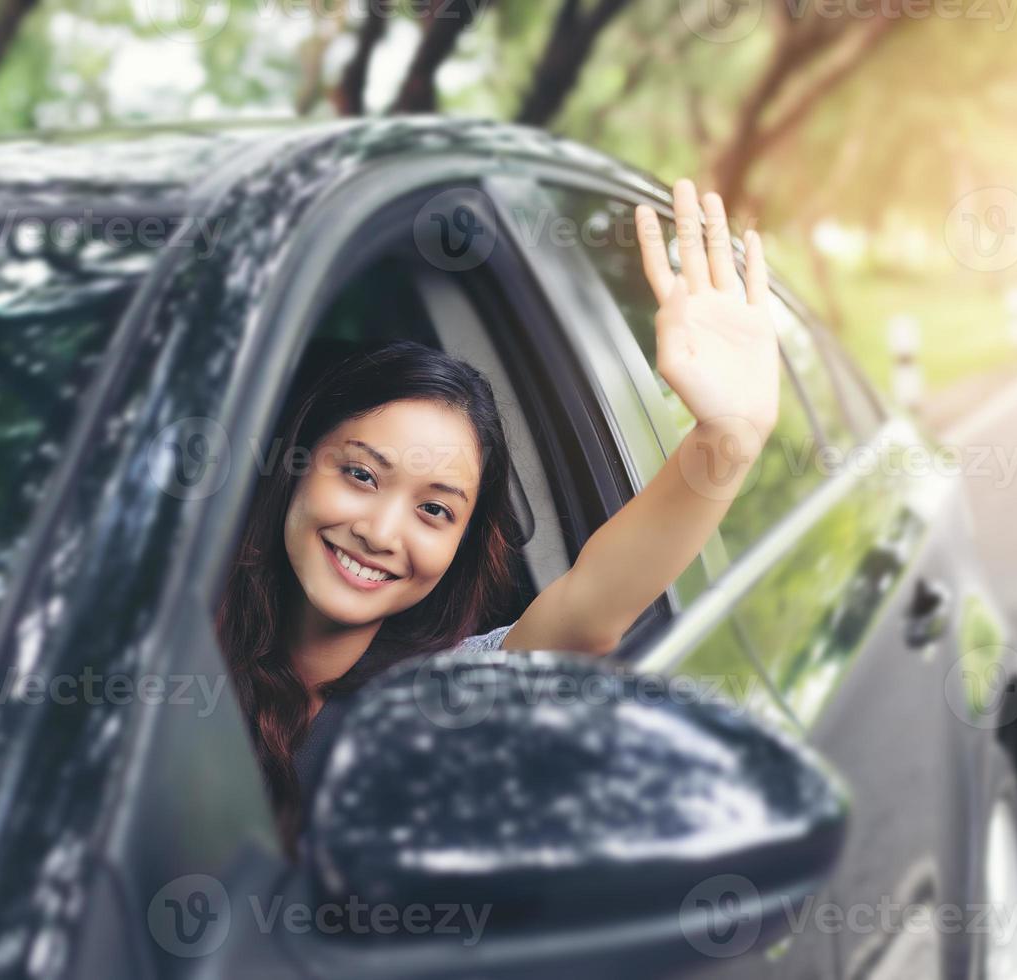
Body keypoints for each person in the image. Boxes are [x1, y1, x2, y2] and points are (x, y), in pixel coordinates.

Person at [217, 180, 781, 849]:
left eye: (434, 510)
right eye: (361, 474)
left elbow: (590, 609)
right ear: (298, 467)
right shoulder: (163, 640)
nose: (380, 531)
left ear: (461, 544)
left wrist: (727, 441)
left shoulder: (444, 692)